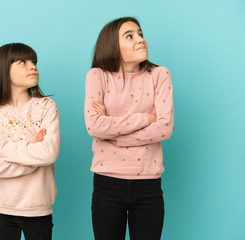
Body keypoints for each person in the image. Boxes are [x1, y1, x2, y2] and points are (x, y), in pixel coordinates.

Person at [84, 17, 174, 240]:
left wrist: (114, 134)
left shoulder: (159, 75)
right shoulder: (97, 76)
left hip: (148, 185)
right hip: (107, 184)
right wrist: (145, 118)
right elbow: (94, 126)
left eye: (140, 34)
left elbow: (164, 128)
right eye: (130, 36)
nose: (140, 40)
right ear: (112, 47)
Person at [0, 43, 60, 240]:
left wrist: (2, 148)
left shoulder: (45, 107)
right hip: (2, 207)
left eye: (34, 62)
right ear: (3, 69)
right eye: (22, 62)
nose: (33, 66)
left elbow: (48, 153)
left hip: (38, 208)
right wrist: (31, 161)